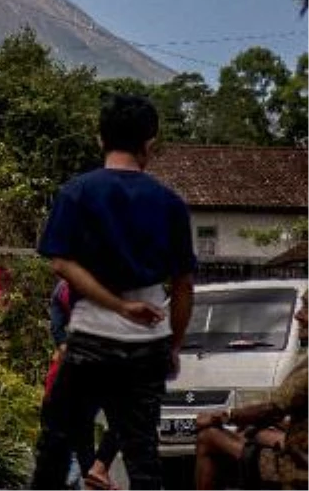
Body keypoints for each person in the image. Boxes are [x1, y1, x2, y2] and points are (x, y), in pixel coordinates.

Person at [31, 93, 197, 491]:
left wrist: (116, 305)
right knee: (143, 456)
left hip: (90, 339)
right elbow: (184, 285)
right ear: (150, 143)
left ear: (99, 137)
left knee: (55, 443)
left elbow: (60, 263)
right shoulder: (170, 203)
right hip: (148, 343)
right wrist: (172, 346)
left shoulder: (77, 192)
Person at [194, 288, 309, 491]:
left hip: (297, 468)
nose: (299, 316)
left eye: (307, 309)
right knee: (253, 433)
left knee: (208, 437)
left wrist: (223, 417)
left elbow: (271, 408)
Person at [45, 279, 120, 490]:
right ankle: (97, 470)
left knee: (84, 426)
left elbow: (58, 333)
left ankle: (93, 473)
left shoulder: (63, 288)